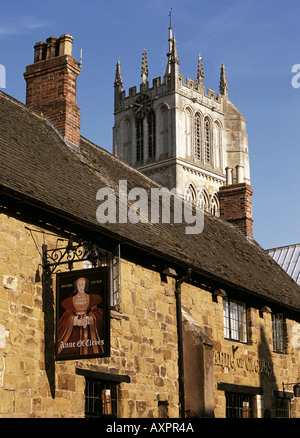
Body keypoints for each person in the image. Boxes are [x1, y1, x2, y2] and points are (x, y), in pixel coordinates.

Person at [57, 277, 104, 356]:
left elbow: (97, 313)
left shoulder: (92, 298)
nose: (80, 286)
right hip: (74, 329)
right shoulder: (70, 300)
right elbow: (66, 316)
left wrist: (88, 319)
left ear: (85, 286)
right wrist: (75, 321)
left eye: (82, 284)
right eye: (79, 284)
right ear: (76, 286)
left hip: (88, 327)